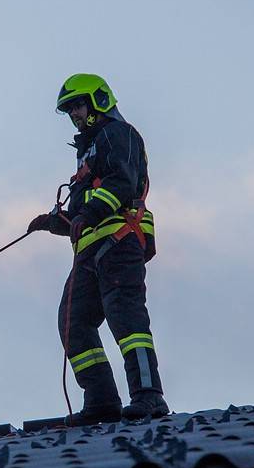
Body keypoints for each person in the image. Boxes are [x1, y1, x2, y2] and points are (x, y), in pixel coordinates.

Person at [27, 73, 169, 426]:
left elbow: (121, 182)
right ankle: (102, 401)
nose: (74, 114)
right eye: (69, 110)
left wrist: (87, 213)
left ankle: (148, 396)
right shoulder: (88, 150)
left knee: (127, 318)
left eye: (78, 105)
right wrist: (53, 221)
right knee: (73, 320)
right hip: (89, 254)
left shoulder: (118, 133)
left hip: (120, 243)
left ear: (98, 101)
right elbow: (83, 211)